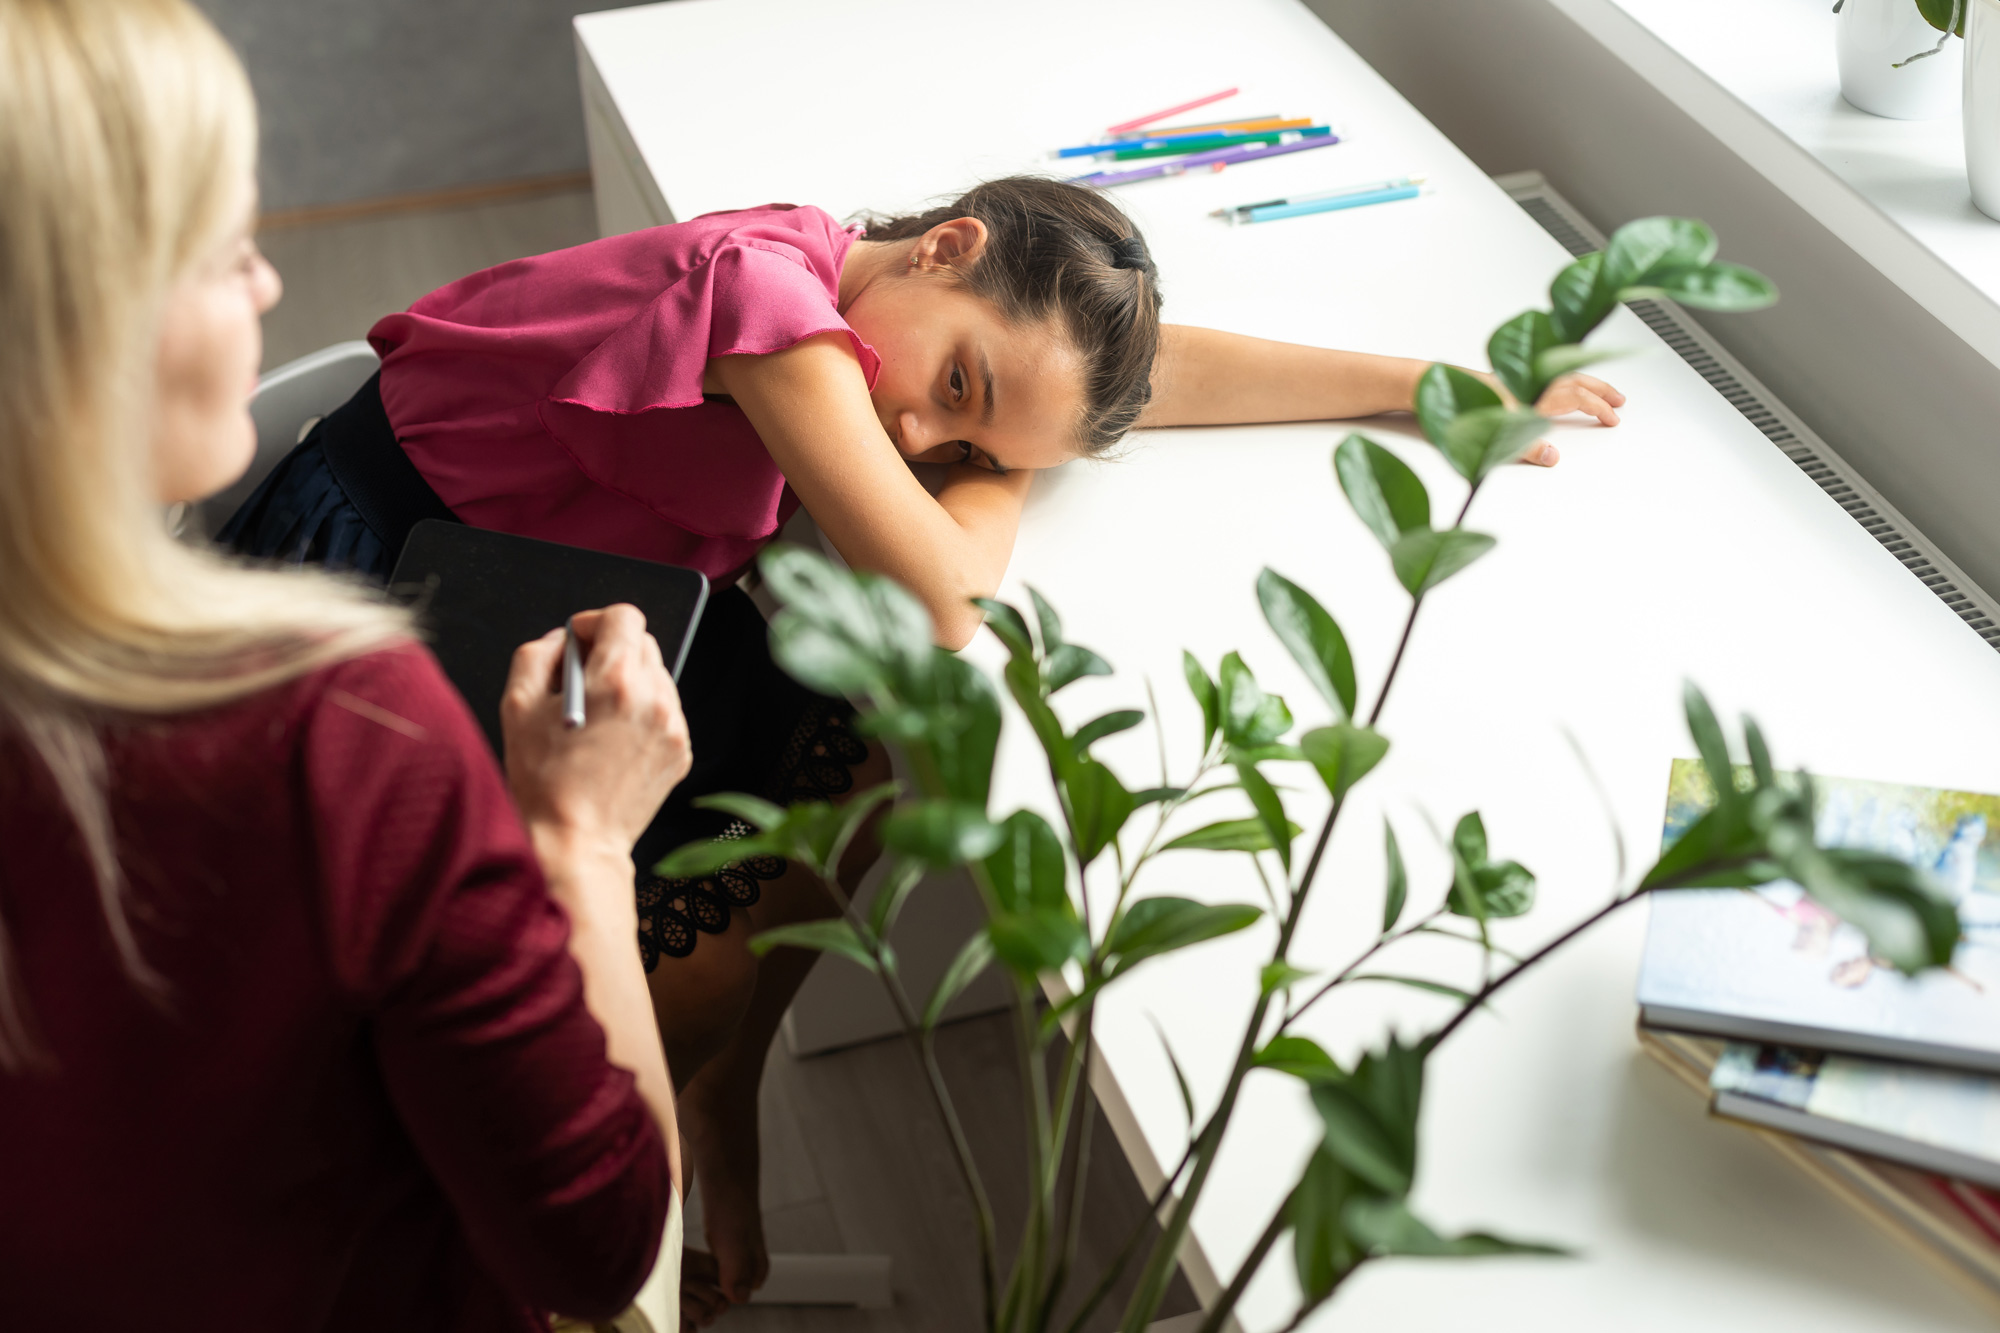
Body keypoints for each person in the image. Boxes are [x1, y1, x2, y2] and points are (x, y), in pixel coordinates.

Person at [221, 173, 1626, 1321]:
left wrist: (1426, 382)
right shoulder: (768, 298)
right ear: (948, 244)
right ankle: (588, 1190)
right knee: (860, 716)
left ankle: (717, 1094)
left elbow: (1128, 372)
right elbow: (946, 599)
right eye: (953, 380)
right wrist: (1005, 460)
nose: (916, 426)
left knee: (865, 761)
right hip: (394, 591)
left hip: (587, 579)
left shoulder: (893, 282)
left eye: (960, 419)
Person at [0, 2, 692, 1327]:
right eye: (228, 251)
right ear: (82, 323)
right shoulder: (334, 735)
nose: (268, 286)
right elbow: (600, 1244)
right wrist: (582, 838)